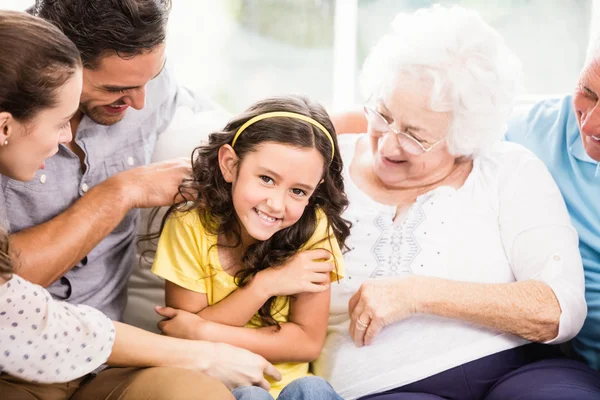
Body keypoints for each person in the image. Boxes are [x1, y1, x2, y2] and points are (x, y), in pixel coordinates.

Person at [311, 5, 600, 400]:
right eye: (382, 114)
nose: (388, 142)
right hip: (384, 383)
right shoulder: (318, 167)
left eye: (415, 134)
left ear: (466, 134)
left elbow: (559, 308)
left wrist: (415, 293)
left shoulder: (508, 167)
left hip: (522, 367)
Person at [0, 7, 279, 400]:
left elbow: (242, 131)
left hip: (108, 363)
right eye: (115, 89)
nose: (140, 103)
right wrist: (120, 193)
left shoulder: (145, 86)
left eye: (152, 78)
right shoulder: (19, 86)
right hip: (17, 368)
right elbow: (20, 314)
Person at [150, 95, 350, 400]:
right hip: (216, 385)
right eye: (267, 179)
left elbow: (308, 342)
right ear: (230, 165)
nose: (277, 204)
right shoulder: (189, 225)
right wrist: (264, 285)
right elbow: (183, 337)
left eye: (298, 191)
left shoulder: (313, 227)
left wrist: (207, 331)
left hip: (290, 385)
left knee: (314, 389)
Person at [505, 34, 600, 371]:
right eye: (588, 93)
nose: (590, 123)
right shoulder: (540, 129)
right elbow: (436, 126)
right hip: (566, 361)